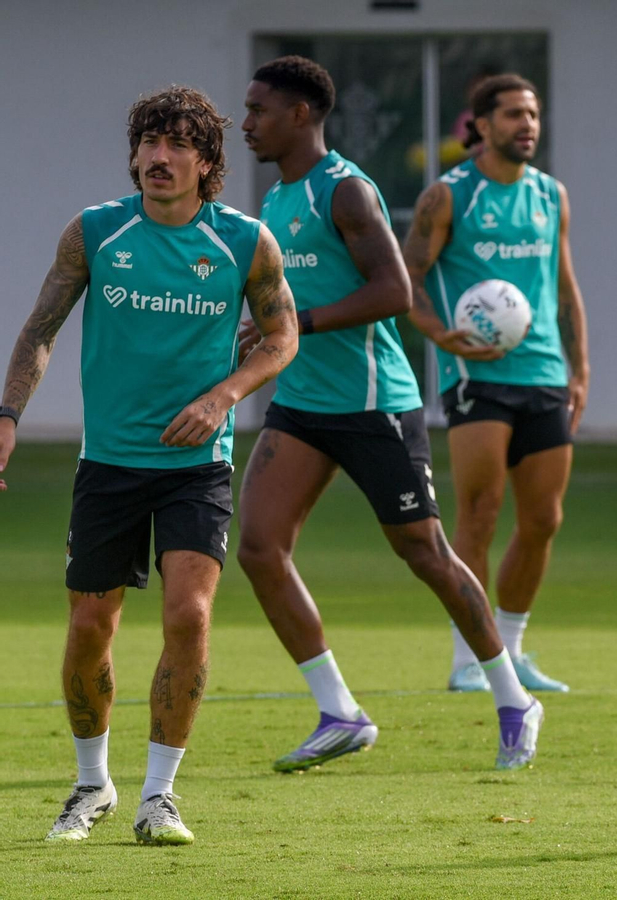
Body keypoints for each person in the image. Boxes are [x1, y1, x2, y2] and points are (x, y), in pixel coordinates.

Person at [0, 87, 299, 844]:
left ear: (207, 162)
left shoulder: (244, 241)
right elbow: (40, 329)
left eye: (175, 145)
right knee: (90, 624)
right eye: (147, 143)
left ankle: (159, 797)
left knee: (188, 615)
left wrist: (223, 397)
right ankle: (91, 784)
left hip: (197, 465)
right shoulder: (96, 232)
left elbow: (281, 336)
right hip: (108, 464)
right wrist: (6, 416)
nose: (157, 158)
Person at [237, 56, 543, 773]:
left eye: (259, 110)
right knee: (257, 547)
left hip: (374, 404)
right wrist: (261, 328)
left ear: (302, 115)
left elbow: (395, 292)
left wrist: (295, 323)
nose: (246, 123)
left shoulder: (345, 192)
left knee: (426, 555)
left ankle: (512, 697)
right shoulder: (276, 201)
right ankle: (340, 711)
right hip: (302, 403)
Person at [402, 73, 589, 695]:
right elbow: (409, 279)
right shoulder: (448, 197)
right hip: (476, 376)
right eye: (513, 114)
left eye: (533, 114)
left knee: (543, 519)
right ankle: (468, 659)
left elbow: (565, 288)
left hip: (543, 374)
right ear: (480, 126)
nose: (527, 125)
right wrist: (440, 334)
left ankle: (510, 650)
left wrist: (579, 370)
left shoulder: (550, 196)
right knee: (478, 515)